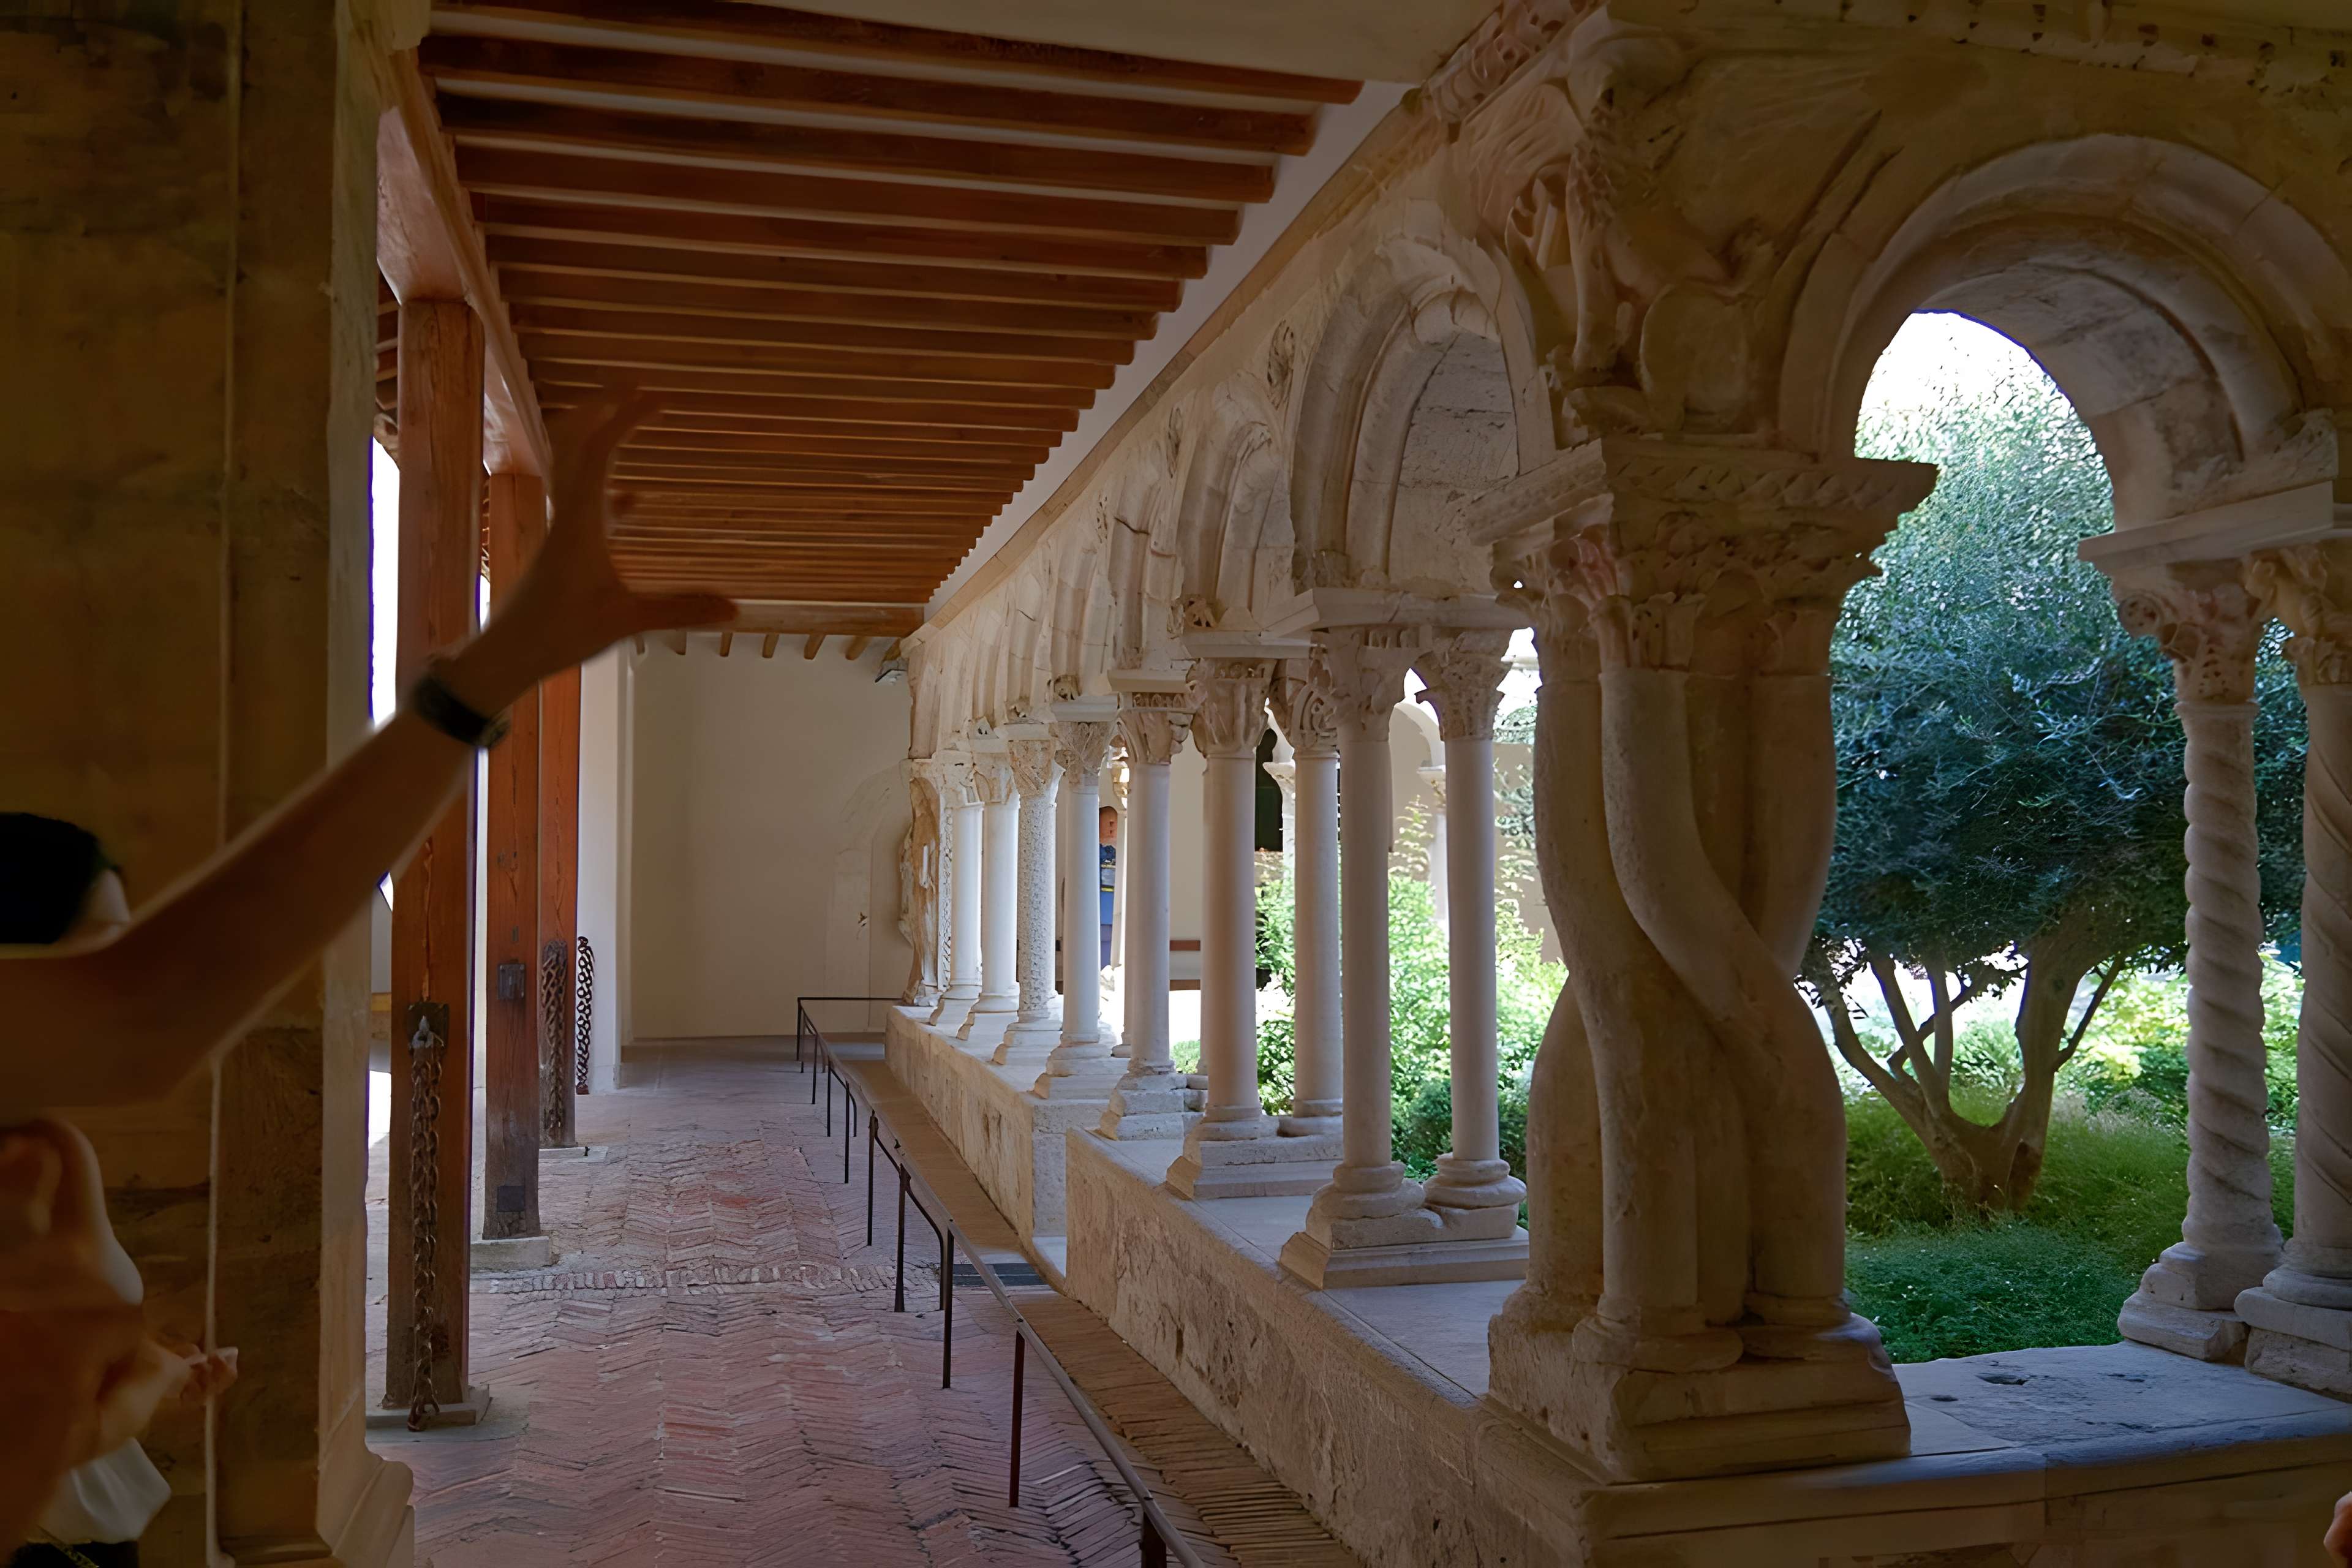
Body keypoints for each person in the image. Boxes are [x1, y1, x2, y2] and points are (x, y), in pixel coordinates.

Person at [0, 392, 733, 1547]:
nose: (112, 984)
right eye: (96, 954)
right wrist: (484, 680)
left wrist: (140, 1384)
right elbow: (157, 1005)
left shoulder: (42, 1159)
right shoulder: (43, 1158)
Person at [3, 820, 238, 1568]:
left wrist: (144, 1361)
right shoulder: (32, 1158)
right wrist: (147, 1378)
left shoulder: (47, 1139)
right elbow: (41, 1438)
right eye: (106, 949)